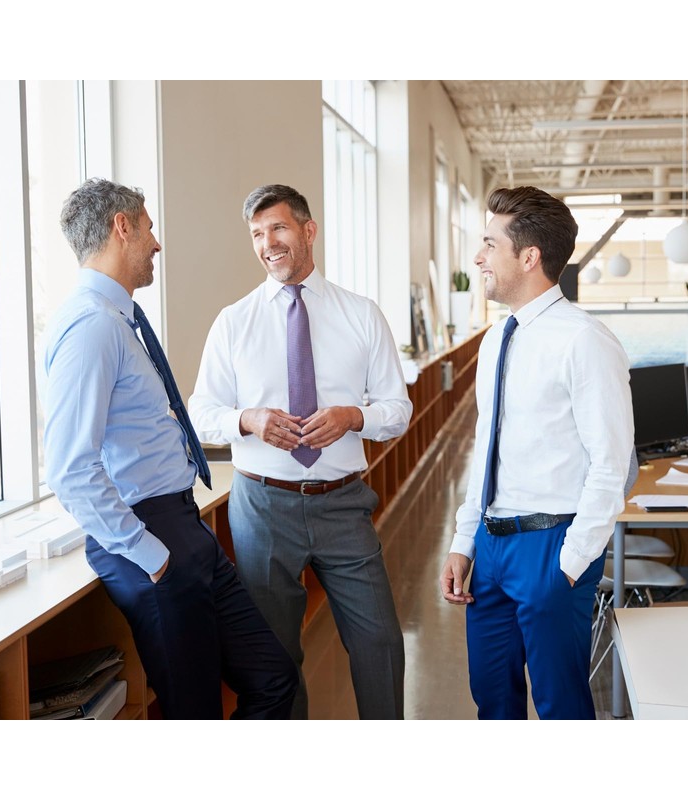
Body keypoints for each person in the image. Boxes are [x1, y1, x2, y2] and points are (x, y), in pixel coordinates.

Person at [39, 177, 298, 720]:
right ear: (122, 226)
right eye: (150, 227)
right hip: (149, 538)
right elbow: (69, 467)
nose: (156, 242)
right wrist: (150, 555)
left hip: (183, 524)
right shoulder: (91, 326)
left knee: (274, 678)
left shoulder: (119, 320)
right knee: (192, 714)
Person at [189, 184, 410, 719]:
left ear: (309, 231)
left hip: (343, 503)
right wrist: (248, 419)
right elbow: (201, 411)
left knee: (380, 641)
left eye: (279, 228)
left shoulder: (361, 314)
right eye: (258, 234)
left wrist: (353, 417)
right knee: (276, 658)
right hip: (262, 509)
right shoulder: (233, 321)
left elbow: (396, 409)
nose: (269, 243)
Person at [439, 185, 634, 720]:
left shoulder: (585, 340)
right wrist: (464, 539)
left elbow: (611, 464)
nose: (478, 256)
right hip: (491, 549)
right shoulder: (496, 339)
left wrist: (571, 563)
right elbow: (486, 448)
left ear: (529, 257)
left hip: (551, 545)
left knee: (561, 708)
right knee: (492, 703)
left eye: (488, 243)